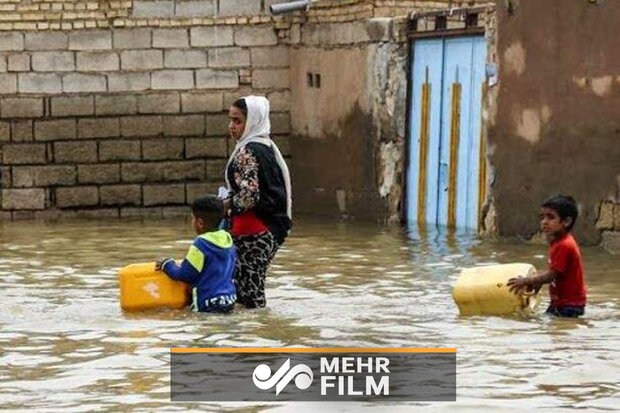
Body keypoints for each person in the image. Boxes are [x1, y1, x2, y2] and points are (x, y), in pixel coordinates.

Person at [225, 95, 292, 308]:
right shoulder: (266, 147)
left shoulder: (247, 152)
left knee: (249, 298)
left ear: (252, 121)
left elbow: (249, 196)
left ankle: (255, 337)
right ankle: (257, 334)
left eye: (237, 121)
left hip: (253, 233)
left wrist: (224, 207)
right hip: (267, 230)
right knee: (249, 293)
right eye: (231, 120)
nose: (231, 127)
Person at [508, 195, 587, 317]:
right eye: (542, 217)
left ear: (566, 221)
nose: (544, 222)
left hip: (568, 305)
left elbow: (551, 275)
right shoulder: (557, 241)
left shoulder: (564, 245)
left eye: (551, 217)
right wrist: (538, 282)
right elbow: (556, 271)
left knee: (552, 330)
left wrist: (526, 281)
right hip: (563, 302)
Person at [156, 196, 237, 313]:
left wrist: (167, 264)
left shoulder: (201, 244)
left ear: (200, 222)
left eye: (192, 218)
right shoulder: (228, 239)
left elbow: (185, 274)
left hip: (207, 304)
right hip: (229, 300)